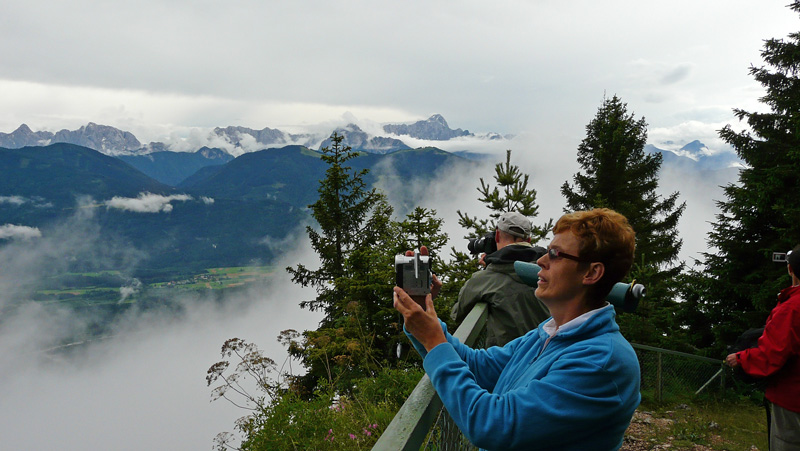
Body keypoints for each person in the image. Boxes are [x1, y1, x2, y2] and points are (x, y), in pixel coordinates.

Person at [394, 208, 641, 450]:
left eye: (555, 254)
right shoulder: (549, 332)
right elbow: (479, 366)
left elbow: (493, 425)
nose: (541, 261)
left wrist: (436, 343)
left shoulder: (601, 362)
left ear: (592, 272)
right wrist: (423, 319)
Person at [726, 245, 800, 450]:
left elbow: (773, 354)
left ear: (790, 270)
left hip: (792, 399)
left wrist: (740, 358)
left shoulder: (791, 308)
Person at [451, 211, 549, 347]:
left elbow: (456, 313)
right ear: (529, 240)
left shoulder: (485, 278)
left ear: (497, 235)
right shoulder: (549, 270)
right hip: (551, 357)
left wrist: (489, 269)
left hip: (505, 363)